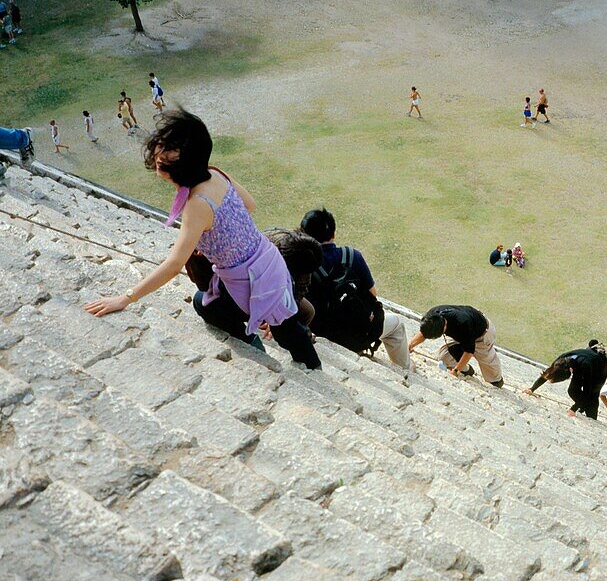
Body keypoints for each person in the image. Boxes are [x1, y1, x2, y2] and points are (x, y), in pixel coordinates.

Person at [83, 110, 320, 369]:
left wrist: (125, 298)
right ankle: (312, 366)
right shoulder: (215, 173)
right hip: (268, 260)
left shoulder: (196, 205)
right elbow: (249, 204)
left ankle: (252, 344)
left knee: (203, 303)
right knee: (286, 323)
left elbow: (174, 265)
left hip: (248, 280)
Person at [299, 207, 411, 371]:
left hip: (324, 334)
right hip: (359, 334)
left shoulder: (302, 265)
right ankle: (406, 370)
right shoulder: (353, 256)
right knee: (397, 324)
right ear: (334, 234)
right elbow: (373, 296)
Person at [409, 304, 503, 386]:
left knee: (490, 369)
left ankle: (497, 381)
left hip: (481, 334)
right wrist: (410, 345)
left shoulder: (463, 322)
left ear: (444, 327)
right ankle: (467, 370)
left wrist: (455, 371)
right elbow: (424, 332)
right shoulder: (432, 317)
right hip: (459, 334)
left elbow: (469, 351)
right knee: (444, 356)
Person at [526, 342, 607, 419]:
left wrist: (573, 409)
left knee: (592, 395)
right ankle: (582, 406)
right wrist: (532, 388)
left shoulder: (585, 365)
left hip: (600, 369)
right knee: (572, 390)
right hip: (581, 363)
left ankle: (591, 416)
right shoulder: (561, 360)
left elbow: (587, 391)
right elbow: (548, 373)